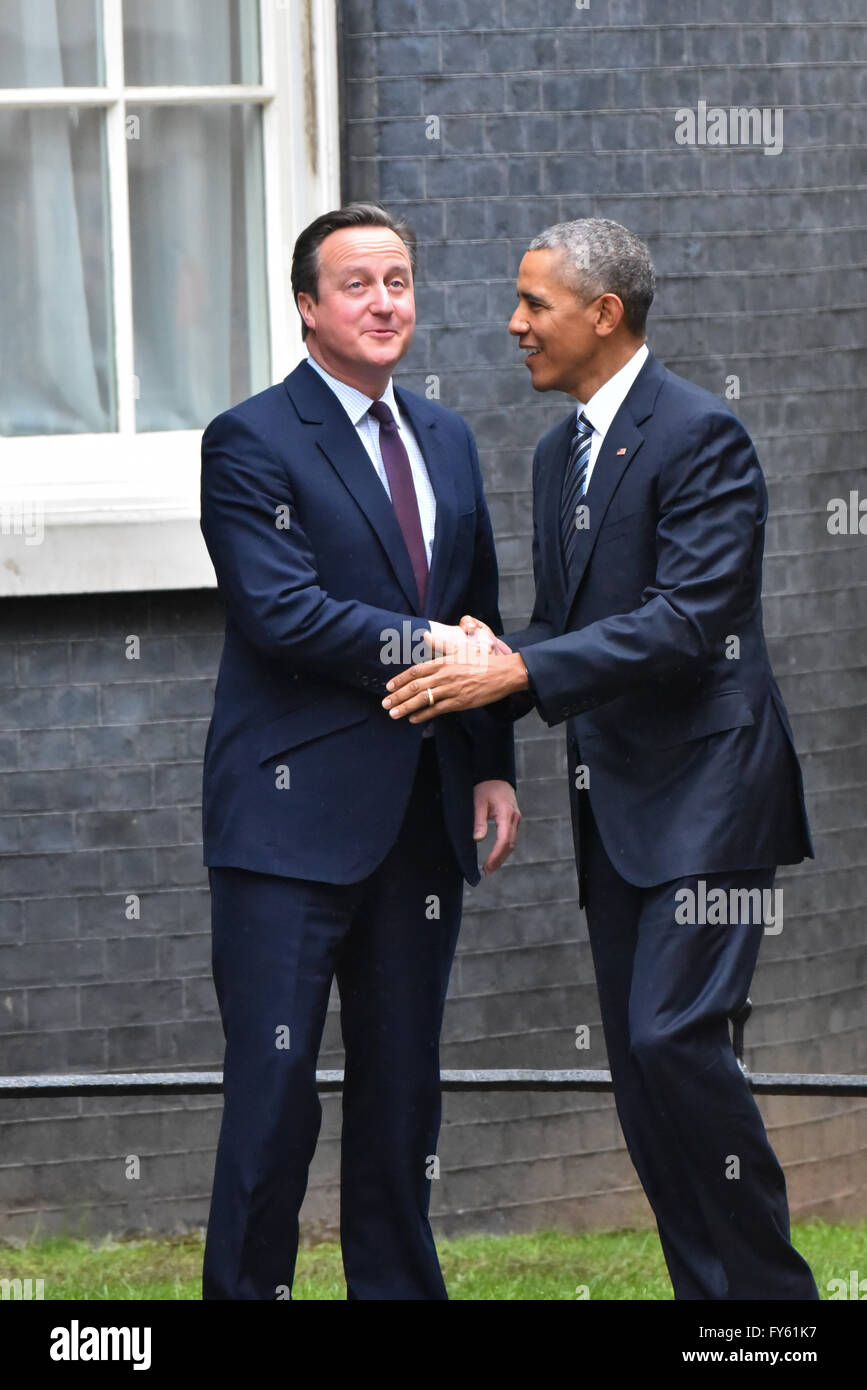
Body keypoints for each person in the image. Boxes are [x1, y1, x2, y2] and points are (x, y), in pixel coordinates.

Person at [384, 217, 819, 1300]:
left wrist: (518, 673)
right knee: (640, 1073)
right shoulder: (555, 451)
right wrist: (494, 650)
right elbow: (571, 621)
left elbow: (689, 622)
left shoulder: (701, 433)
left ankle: (777, 1311)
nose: (515, 325)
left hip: (712, 799)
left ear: (604, 313)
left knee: (674, 1038)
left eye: (535, 304)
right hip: (616, 808)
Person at [198, 202, 519, 1300]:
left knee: (402, 1095)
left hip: (422, 821)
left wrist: (488, 760)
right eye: (357, 285)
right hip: (288, 826)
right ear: (305, 308)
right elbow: (282, 610)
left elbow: (477, 610)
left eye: (400, 281)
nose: (386, 303)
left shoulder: (447, 437)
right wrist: (427, 643)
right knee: (276, 1089)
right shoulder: (250, 440)